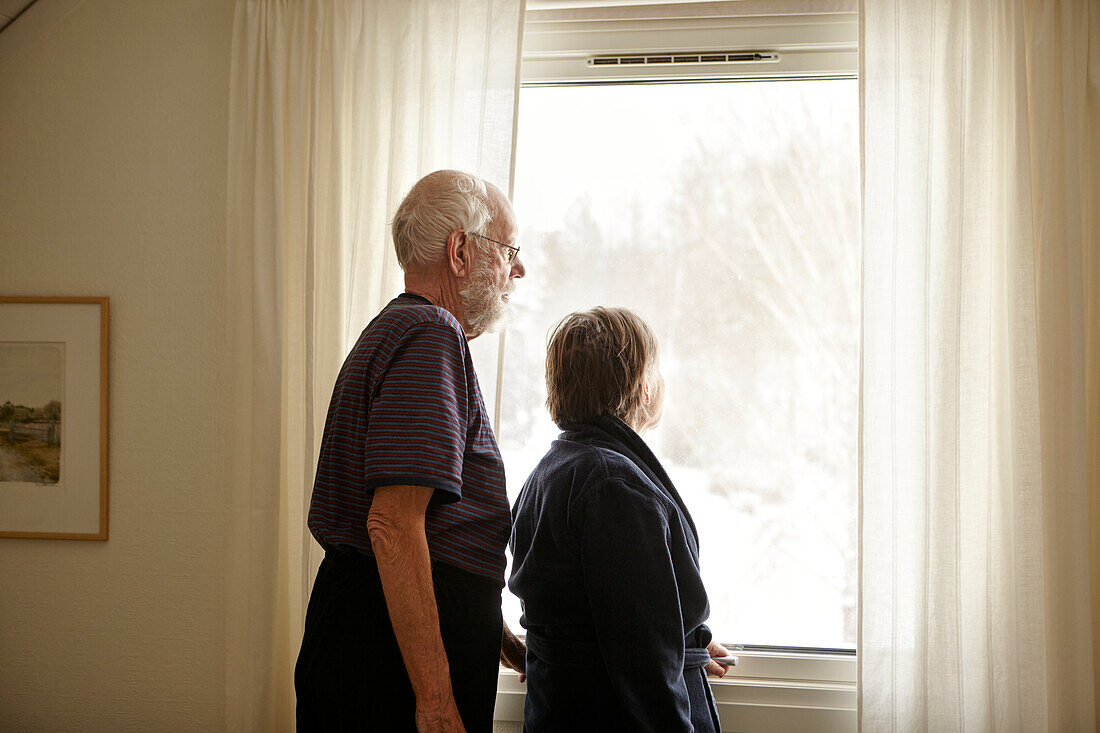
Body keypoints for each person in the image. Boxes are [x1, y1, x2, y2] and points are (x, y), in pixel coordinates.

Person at [295, 170, 527, 733]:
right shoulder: (429, 334)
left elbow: (435, 528)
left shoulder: (404, 329)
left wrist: (493, 631)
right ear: (460, 251)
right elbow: (394, 525)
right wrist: (436, 700)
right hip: (387, 666)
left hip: (369, 640)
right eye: (510, 250)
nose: (518, 269)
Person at [509, 306, 731, 732]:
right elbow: (643, 661)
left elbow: (592, 615)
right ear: (643, 388)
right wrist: (670, 650)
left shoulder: (550, 473)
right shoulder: (614, 486)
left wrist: (687, 640)